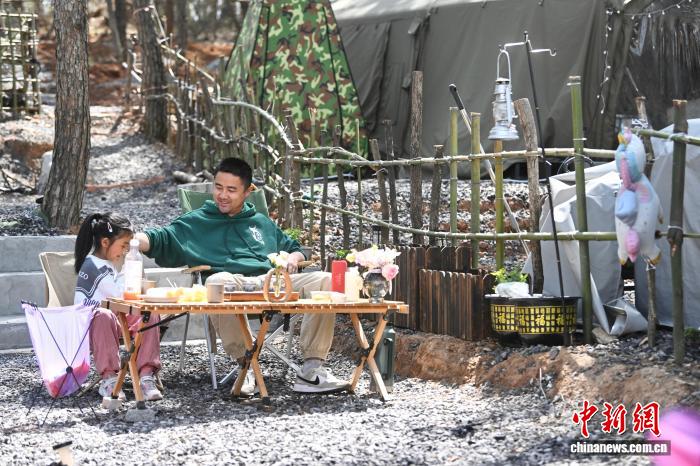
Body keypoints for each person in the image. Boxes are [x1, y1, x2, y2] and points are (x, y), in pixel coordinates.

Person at [134, 157, 347, 396]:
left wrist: (293, 258)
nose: (222, 195)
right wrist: (132, 239)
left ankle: (311, 371)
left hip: (272, 282)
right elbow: (159, 239)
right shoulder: (195, 222)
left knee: (325, 280)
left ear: (247, 192)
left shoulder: (260, 222)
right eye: (218, 187)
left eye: (231, 190)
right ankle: (246, 365)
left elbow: (295, 248)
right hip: (230, 284)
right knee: (216, 282)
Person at [74, 212, 163, 401]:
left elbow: (121, 299)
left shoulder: (107, 264)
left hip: (114, 319)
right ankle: (109, 378)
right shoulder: (92, 266)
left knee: (148, 314)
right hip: (90, 327)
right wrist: (130, 268)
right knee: (103, 315)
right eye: (123, 246)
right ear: (105, 242)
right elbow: (119, 295)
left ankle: (146, 375)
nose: (124, 252)